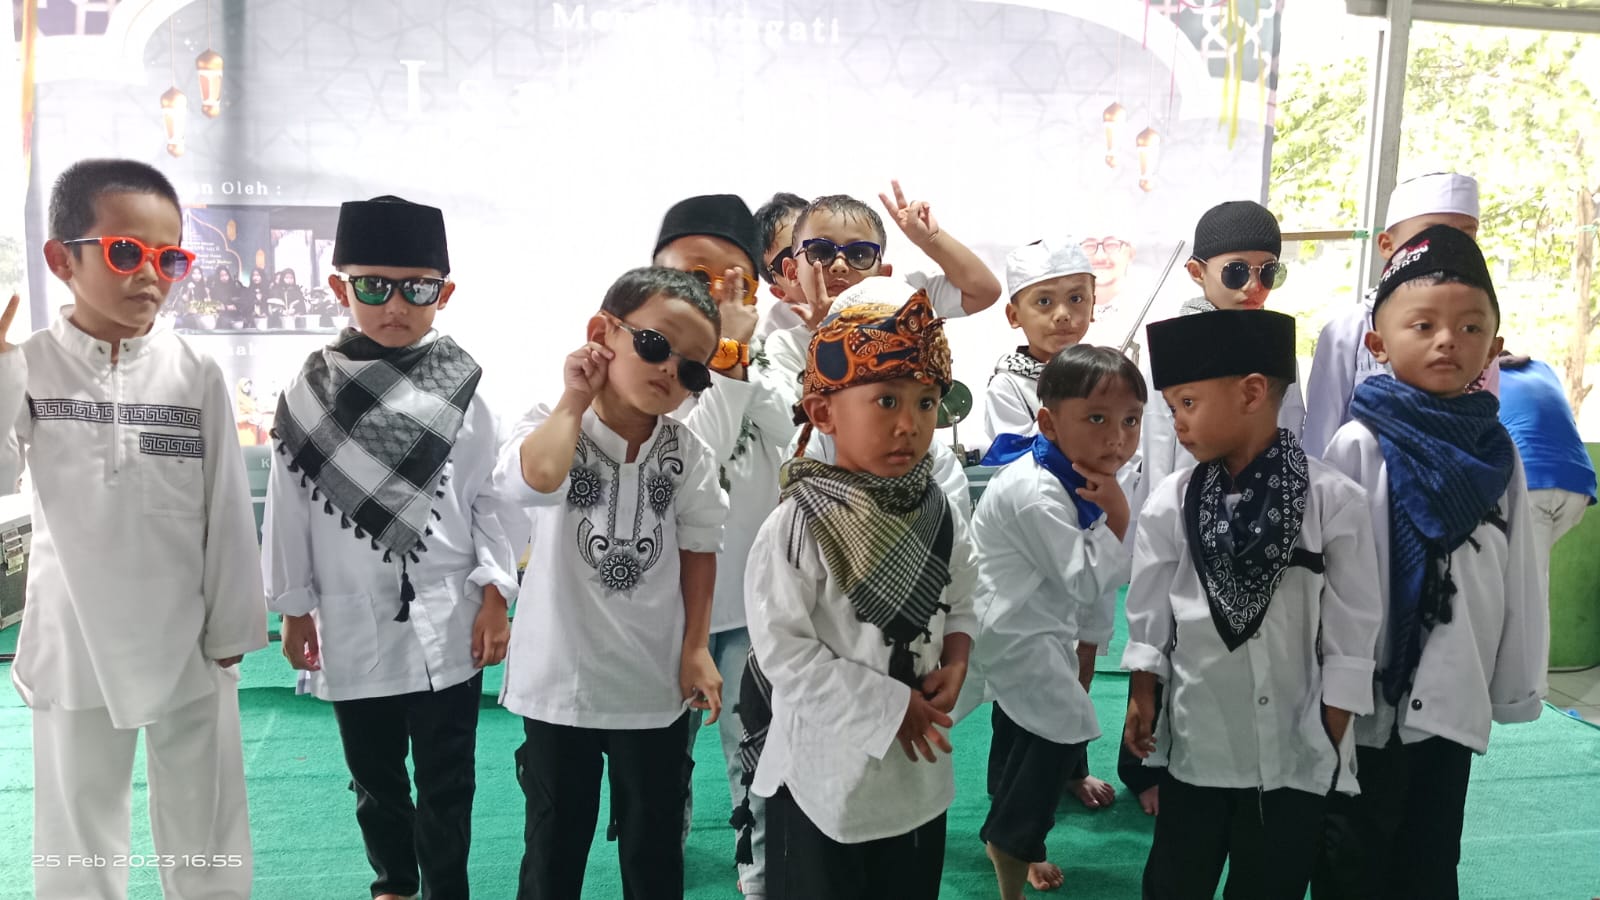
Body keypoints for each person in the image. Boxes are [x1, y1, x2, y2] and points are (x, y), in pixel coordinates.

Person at [0, 158, 263, 900]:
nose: (150, 275)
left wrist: (231, 628)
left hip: (187, 636)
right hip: (73, 635)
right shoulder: (30, 366)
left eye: (168, 258)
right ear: (62, 259)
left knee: (206, 826)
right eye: (124, 252)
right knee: (77, 831)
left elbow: (226, 508)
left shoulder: (194, 372)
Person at [263, 195, 520, 900]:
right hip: (350, 617)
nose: (396, 306)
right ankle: (394, 884)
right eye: (373, 287)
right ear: (339, 287)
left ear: (445, 294)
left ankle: (446, 889)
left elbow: (491, 501)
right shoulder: (308, 393)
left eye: (418, 289)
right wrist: (294, 608)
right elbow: (288, 509)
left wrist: (495, 593)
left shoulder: (464, 389)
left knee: (449, 777)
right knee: (374, 776)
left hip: (449, 613)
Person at [1315, 226, 1548, 900]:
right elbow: (1334, 579)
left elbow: (1520, 574)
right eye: (1423, 325)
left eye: (1470, 327)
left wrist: (1512, 686)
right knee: (1352, 855)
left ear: (1494, 348)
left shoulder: (1497, 450)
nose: (1448, 340)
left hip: (1453, 695)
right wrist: (1331, 682)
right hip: (1369, 702)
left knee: (1431, 852)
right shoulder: (1358, 443)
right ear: (1378, 344)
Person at [1123, 308, 1383, 900]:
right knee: (1175, 881)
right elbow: (1149, 612)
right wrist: (1142, 690)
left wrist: (1333, 721)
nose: (1177, 423)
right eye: (1172, 408)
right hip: (1200, 738)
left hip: (1294, 746)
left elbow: (1353, 624)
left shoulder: (1333, 500)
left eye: (1188, 403)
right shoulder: (1172, 501)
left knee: (1272, 884)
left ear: (1252, 393)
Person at [496, 266, 729, 900]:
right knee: (554, 843)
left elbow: (699, 549)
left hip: (651, 683)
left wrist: (696, 647)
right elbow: (538, 480)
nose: (670, 371)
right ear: (603, 334)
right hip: (560, 680)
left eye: (692, 369)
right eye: (655, 345)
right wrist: (574, 398)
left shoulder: (688, 453)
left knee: (654, 847)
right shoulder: (547, 422)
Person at [743, 287, 977, 900]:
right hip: (826, 770)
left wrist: (957, 657)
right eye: (886, 400)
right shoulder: (797, 524)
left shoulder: (939, 509)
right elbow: (786, 654)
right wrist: (891, 708)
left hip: (917, 774)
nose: (910, 424)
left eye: (926, 402)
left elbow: (965, 596)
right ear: (823, 413)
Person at [651, 193, 797, 898]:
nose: (711, 292)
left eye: (729, 278)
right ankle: (661, 850)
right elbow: (690, 460)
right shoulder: (642, 365)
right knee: (661, 748)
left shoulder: (775, 359)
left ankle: (761, 867)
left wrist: (736, 358)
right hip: (660, 600)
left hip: (749, 597)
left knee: (755, 744)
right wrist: (719, 363)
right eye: (693, 274)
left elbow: (796, 436)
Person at [969, 345, 1145, 897]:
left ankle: (1008, 827)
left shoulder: (1075, 472)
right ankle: (1012, 840)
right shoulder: (1037, 492)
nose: (1117, 437)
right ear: (1048, 423)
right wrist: (1119, 515)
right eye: (1097, 419)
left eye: (1130, 420)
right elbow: (1087, 578)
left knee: (1025, 721)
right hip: (1009, 627)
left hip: (1033, 620)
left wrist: (1090, 640)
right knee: (1067, 720)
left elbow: (1086, 582)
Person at [1303, 172, 1486, 455]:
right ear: (1387, 245)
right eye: (1430, 233)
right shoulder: (1347, 330)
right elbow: (1320, 436)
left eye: (1465, 236)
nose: (1449, 247)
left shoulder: (1478, 327)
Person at [983, 238, 1097, 442]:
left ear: (1093, 306)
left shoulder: (1105, 375)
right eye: (1044, 301)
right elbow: (1014, 452)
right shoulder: (1007, 386)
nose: (1062, 315)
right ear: (1014, 316)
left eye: (1076, 299)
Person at [1495, 351, 1597, 567]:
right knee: (1528, 567)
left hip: (1534, 482)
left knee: (1526, 574)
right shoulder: (1543, 368)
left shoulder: (1483, 377)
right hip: (1580, 483)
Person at [753, 191, 813, 339]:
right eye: (792, 255)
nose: (816, 262)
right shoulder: (772, 338)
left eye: (819, 245)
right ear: (780, 293)